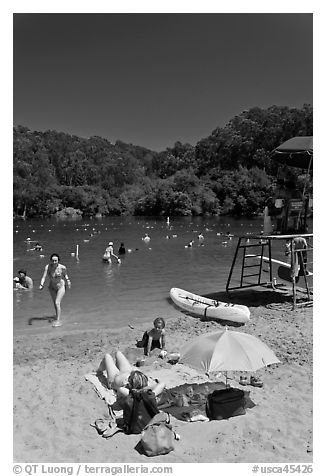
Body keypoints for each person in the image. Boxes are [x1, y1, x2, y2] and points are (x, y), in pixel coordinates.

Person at [96, 351, 165, 399]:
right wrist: (153, 394)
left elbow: (120, 389)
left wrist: (126, 385)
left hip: (114, 378)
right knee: (118, 353)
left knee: (107, 356)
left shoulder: (130, 392)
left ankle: (99, 371)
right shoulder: (149, 386)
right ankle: (118, 367)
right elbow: (163, 383)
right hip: (127, 371)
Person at [39, 253, 71, 327]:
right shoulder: (48, 267)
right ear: (50, 260)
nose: (54, 262)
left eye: (55, 261)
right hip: (52, 287)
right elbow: (44, 277)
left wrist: (68, 281)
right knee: (55, 304)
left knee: (57, 303)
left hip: (61, 286)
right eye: (52, 261)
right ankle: (57, 316)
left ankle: (58, 321)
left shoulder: (62, 267)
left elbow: (65, 275)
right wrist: (41, 284)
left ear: (58, 260)